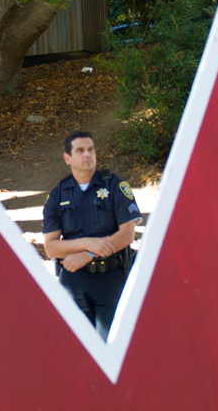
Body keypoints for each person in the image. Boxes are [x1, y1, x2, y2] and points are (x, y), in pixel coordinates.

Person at [42, 131, 142, 340]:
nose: (87, 154)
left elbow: (127, 234)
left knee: (113, 343)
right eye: (80, 150)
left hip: (112, 277)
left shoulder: (114, 185)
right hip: (73, 279)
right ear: (67, 158)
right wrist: (89, 243)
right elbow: (50, 247)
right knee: (76, 346)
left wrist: (87, 254)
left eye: (91, 149)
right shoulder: (58, 194)